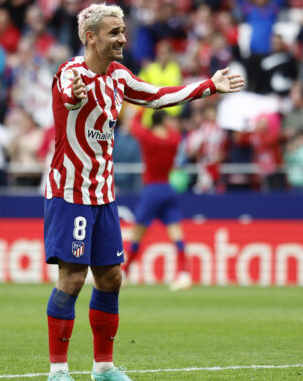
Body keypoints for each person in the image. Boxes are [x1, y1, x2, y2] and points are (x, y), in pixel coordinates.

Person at [43, 4, 245, 381]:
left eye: (123, 31)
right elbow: (68, 94)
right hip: (70, 193)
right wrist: (74, 92)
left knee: (111, 278)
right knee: (71, 280)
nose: (123, 38)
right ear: (91, 37)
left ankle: (103, 367)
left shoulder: (119, 76)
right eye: (114, 32)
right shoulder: (71, 72)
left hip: (104, 195)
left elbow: (158, 96)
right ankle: (58, 370)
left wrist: (208, 87)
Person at [122, 110, 191, 291]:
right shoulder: (174, 139)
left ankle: (125, 273)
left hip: (151, 190)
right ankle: (184, 274)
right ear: (164, 120)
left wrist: (142, 108)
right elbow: (177, 133)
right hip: (168, 188)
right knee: (176, 232)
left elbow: (134, 125)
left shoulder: (148, 138)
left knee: (137, 234)